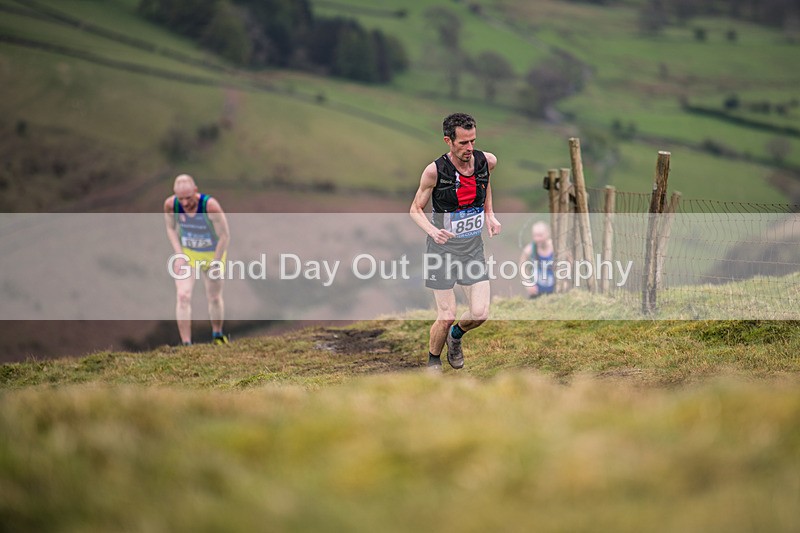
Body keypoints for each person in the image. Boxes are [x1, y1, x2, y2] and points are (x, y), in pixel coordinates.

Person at [410, 113, 501, 371]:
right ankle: (433, 361)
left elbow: (486, 183)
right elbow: (415, 209)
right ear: (448, 141)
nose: (469, 149)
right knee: (446, 315)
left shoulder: (487, 161)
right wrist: (432, 230)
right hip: (442, 251)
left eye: (472, 141)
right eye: (463, 143)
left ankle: (456, 337)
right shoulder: (434, 171)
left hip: (472, 249)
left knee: (480, 313)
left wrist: (489, 214)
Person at [163, 174, 230, 345]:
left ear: (195, 191)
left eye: (188, 198)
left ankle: (217, 335)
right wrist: (179, 254)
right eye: (181, 198)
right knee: (183, 295)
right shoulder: (171, 205)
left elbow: (224, 235)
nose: (185, 203)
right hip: (188, 254)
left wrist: (216, 261)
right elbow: (170, 229)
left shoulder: (210, 206)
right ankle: (187, 344)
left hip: (212, 253)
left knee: (214, 297)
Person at [519, 221, 555, 298]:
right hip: (536, 293)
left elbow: (569, 262)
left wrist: (565, 282)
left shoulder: (556, 247)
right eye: (535, 236)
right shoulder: (530, 250)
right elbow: (522, 266)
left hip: (555, 292)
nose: (537, 239)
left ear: (547, 233)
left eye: (540, 235)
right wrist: (528, 284)